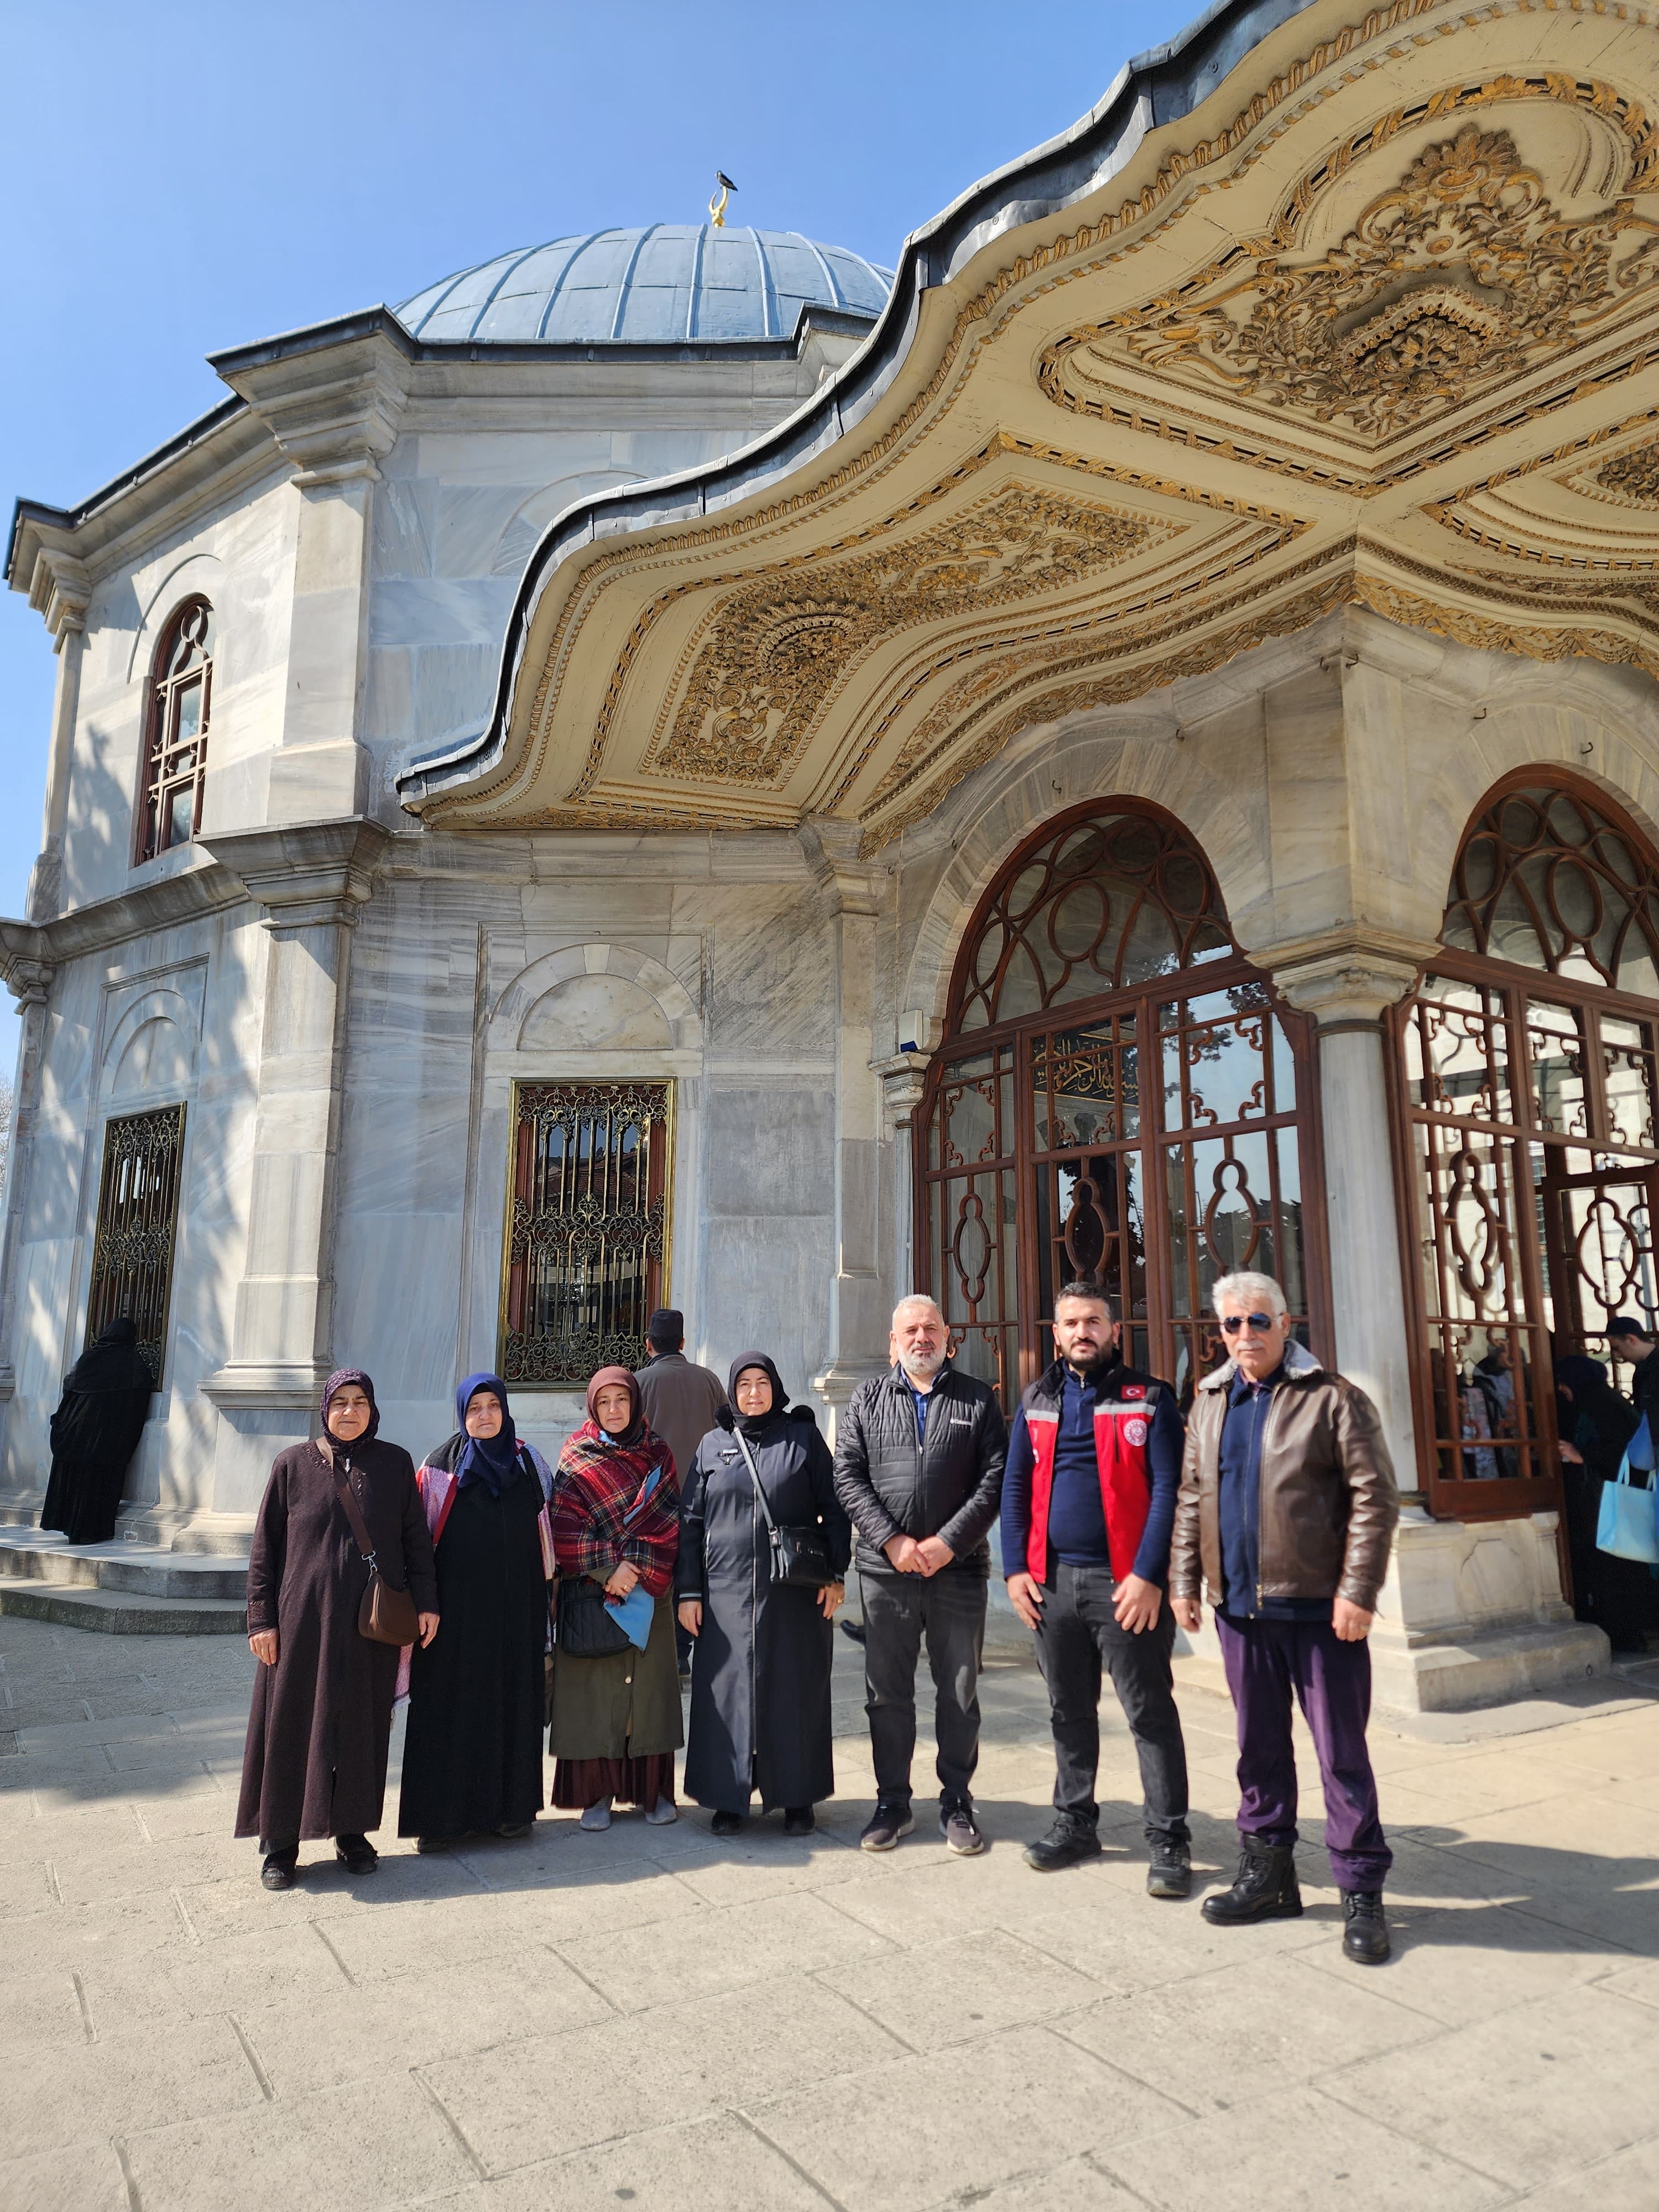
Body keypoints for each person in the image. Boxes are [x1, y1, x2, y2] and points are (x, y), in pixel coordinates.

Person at [1170, 1272, 1399, 1964]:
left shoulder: (1333, 1399)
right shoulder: (1209, 1401)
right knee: (1259, 1750)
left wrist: (1357, 1591)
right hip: (1239, 1609)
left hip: (1319, 1611)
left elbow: (1374, 1499)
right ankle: (1270, 1876)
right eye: (1233, 1324)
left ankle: (1361, 1890)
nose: (1245, 1335)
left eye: (1258, 1322)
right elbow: (1190, 1496)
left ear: (1286, 1322)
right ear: (1220, 1332)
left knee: (1341, 1755)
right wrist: (1185, 1580)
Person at [1001, 1282, 1192, 1892]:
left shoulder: (1150, 1398)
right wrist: (1014, 1571)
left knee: (1149, 1713)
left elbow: (1171, 1490)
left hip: (1126, 1589)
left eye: (1094, 1321)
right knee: (1068, 1711)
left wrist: (1148, 1575)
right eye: (1070, 1322)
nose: (1082, 1331)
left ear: (1114, 1329)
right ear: (1054, 1333)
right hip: (1051, 1586)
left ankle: (1168, 1840)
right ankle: (1075, 1822)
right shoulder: (1035, 1399)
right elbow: (1013, 1491)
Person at [236, 1370, 439, 1890]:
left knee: (361, 1725)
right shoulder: (292, 1465)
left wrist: (427, 1605)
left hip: (370, 1625)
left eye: (361, 1402)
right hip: (301, 1621)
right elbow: (265, 1551)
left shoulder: (394, 1463)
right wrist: (261, 1619)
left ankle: (352, 1832)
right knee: (290, 1725)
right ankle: (280, 1844)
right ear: (325, 1409)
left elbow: (416, 1542)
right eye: (340, 1403)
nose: (350, 1412)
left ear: (373, 1409)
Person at [832, 1295, 1007, 1856]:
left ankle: (957, 1801)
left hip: (959, 1572)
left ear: (947, 1335)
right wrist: (896, 1540)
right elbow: (849, 1478)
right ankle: (893, 1803)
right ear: (892, 1341)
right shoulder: (865, 1399)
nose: (921, 1337)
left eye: (930, 1328)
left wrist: (947, 1543)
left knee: (959, 1691)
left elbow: (995, 1480)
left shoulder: (977, 1399)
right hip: (887, 1573)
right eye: (910, 1329)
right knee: (888, 1694)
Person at [677, 1353, 851, 1835]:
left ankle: (797, 1798)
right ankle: (727, 1798)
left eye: (762, 1383)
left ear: (775, 1386)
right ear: (733, 1392)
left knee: (795, 1691)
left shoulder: (802, 1438)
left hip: (793, 1594)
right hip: (724, 1595)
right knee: (726, 1697)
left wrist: (836, 1573)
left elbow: (834, 1508)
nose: (754, 1393)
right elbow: (690, 1522)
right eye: (745, 1385)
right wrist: (689, 1592)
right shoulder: (713, 1445)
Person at [399, 1374, 556, 1852]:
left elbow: (548, 1533)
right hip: (454, 1622)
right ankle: (440, 1820)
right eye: (475, 1409)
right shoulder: (439, 1466)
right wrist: (425, 1605)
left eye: (493, 1406)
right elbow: (418, 1544)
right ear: (462, 1414)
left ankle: (512, 1812)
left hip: (517, 1614)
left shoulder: (530, 1462)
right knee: (448, 1709)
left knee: (514, 1706)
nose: (485, 1416)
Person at [549, 1366, 682, 1831]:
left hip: (649, 1594)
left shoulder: (658, 1452)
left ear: (636, 1402)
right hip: (595, 1595)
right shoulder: (575, 1455)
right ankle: (596, 1794)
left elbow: (667, 1521)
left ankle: (654, 1795)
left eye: (621, 1400)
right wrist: (611, 1566)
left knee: (648, 1701)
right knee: (596, 1701)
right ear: (592, 1407)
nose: (614, 1410)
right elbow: (564, 1525)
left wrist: (636, 1567)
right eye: (604, 1402)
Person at [636, 1307, 725, 1675]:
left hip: (653, 1495)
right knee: (695, 1572)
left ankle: (658, 1654)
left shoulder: (637, 1383)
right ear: (683, 1343)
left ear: (648, 1345)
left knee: (657, 1572)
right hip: (703, 1492)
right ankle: (683, 1654)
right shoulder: (708, 1380)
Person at [1556, 1352, 1657, 1652]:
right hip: (1608, 1498)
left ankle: (1625, 1635)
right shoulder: (1598, 1401)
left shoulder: (1602, 1405)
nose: (1561, 1389)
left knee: (1614, 1568)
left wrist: (1582, 1455)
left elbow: (1623, 1450)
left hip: (1612, 1500)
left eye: (1563, 1383)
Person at [39, 1317, 155, 1546]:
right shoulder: (131, 1363)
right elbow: (139, 1396)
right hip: (103, 1438)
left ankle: (70, 1528)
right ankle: (90, 1531)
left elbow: (69, 1390)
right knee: (96, 1484)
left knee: (75, 1482)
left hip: (74, 1434)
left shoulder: (88, 1359)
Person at [1608, 1316, 1659, 1435]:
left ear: (1631, 1339)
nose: (1617, 1355)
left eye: (1617, 1348)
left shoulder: (1652, 1367)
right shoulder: (1643, 1368)